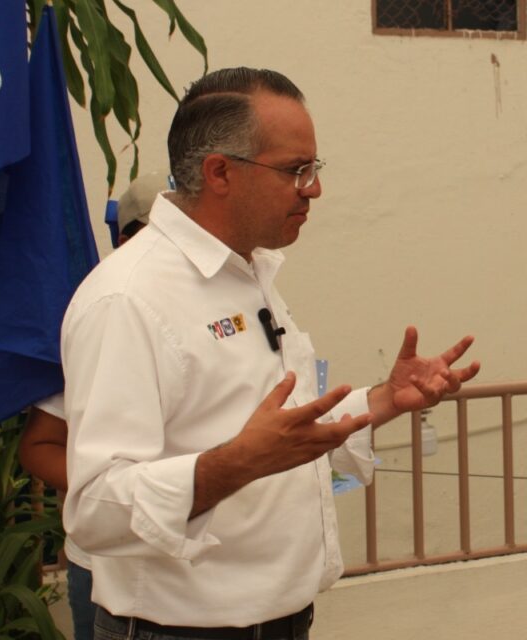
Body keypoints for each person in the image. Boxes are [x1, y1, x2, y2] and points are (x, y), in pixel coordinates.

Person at [60, 67, 480, 638]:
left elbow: (274, 432)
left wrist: (382, 400)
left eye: (314, 169)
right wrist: (237, 463)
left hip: (282, 619)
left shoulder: (246, 271)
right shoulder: (128, 298)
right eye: (295, 171)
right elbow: (95, 509)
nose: (314, 189)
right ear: (219, 173)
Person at [17, 171, 169, 640]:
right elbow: (39, 444)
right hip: (108, 566)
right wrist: (117, 493)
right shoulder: (106, 312)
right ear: (124, 239)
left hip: (195, 568)